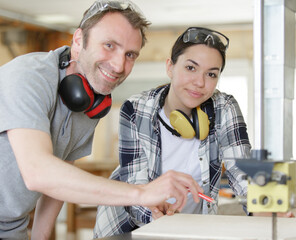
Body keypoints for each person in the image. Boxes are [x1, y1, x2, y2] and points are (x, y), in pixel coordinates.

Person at [0, 1, 203, 239]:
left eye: (130, 55)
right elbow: (38, 172)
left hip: (12, 227)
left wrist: (40, 237)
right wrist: (140, 193)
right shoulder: (27, 76)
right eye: (109, 45)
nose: (119, 65)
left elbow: (60, 178)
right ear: (78, 41)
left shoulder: (91, 100)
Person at [94, 26, 252, 238]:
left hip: (192, 229)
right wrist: (155, 213)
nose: (200, 82)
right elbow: (134, 185)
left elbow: (241, 170)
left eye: (211, 74)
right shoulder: (136, 109)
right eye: (190, 68)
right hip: (128, 228)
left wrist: (262, 205)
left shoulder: (224, 107)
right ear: (170, 67)